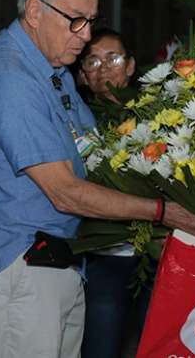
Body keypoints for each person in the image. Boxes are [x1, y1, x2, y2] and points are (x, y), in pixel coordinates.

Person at [0, 0, 195, 358]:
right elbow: (65, 192)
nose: (85, 36)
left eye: (91, 20)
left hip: (62, 259)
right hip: (26, 266)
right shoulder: (11, 78)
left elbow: (96, 152)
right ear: (34, 11)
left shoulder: (53, 69)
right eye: (75, 20)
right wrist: (161, 210)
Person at [75, 28, 150, 358]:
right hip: (104, 257)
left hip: (156, 256)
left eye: (113, 58)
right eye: (92, 61)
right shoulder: (75, 121)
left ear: (131, 66)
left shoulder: (159, 117)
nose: (103, 68)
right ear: (83, 75)